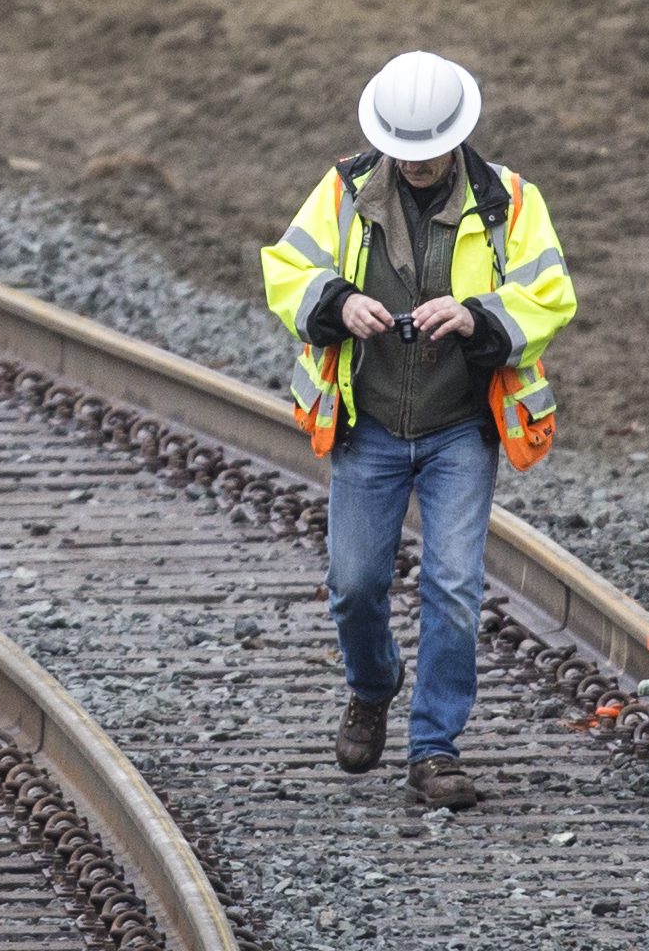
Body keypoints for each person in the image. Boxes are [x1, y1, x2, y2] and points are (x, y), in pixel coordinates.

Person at [254, 49, 577, 811]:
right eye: (406, 151)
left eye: (430, 151)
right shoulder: (342, 192)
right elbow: (285, 270)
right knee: (356, 584)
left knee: (454, 587)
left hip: (459, 429)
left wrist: (477, 317)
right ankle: (372, 687)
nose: (419, 163)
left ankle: (435, 749)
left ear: (456, 138)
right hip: (367, 427)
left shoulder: (510, 202)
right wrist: (338, 303)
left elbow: (551, 291)